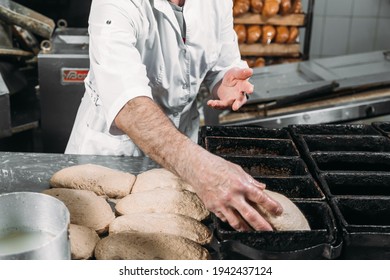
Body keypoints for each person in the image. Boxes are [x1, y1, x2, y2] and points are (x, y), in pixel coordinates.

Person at [65, 0, 283, 231]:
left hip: (182, 154)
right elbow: (128, 105)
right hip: (113, 154)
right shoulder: (115, 4)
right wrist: (203, 171)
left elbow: (220, 64)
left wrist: (225, 82)